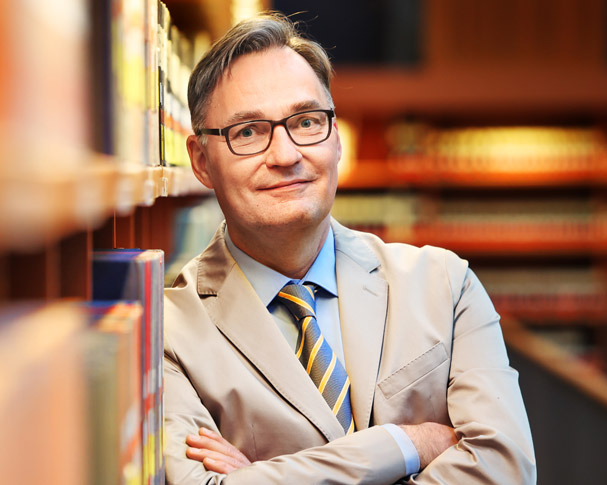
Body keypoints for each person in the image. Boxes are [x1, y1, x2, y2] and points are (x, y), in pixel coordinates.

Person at [163, 12, 536, 484]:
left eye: (306, 121)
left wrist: (264, 476)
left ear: (337, 139)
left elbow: (506, 470)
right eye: (249, 132)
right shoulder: (167, 330)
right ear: (201, 161)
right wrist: (408, 443)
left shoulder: (445, 285)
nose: (285, 155)